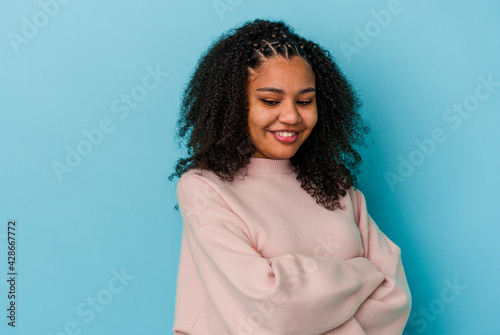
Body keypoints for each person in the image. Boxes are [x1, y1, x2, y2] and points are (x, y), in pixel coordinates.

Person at [169, 18, 412, 335]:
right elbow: (271, 311)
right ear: (234, 105)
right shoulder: (205, 188)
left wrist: (309, 301)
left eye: (305, 101)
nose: (291, 116)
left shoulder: (336, 187)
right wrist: (365, 273)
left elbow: (395, 298)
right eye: (270, 101)